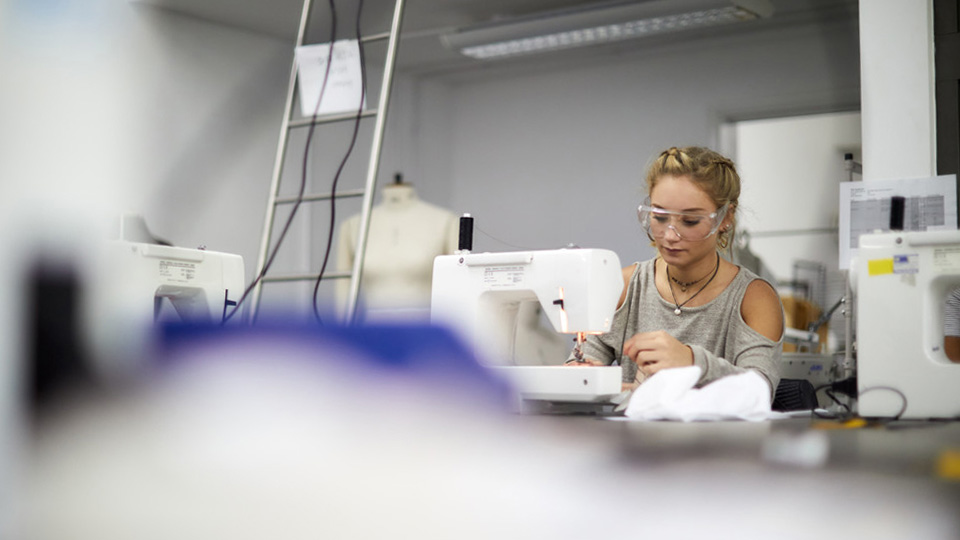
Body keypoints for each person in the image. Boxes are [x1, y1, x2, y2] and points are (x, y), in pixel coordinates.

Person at [567, 146, 784, 399]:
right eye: (660, 217)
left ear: (726, 217)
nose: (670, 235)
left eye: (690, 221)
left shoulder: (753, 298)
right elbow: (580, 371)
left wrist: (692, 361)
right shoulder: (624, 287)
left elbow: (759, 391)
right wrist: (584, 378)